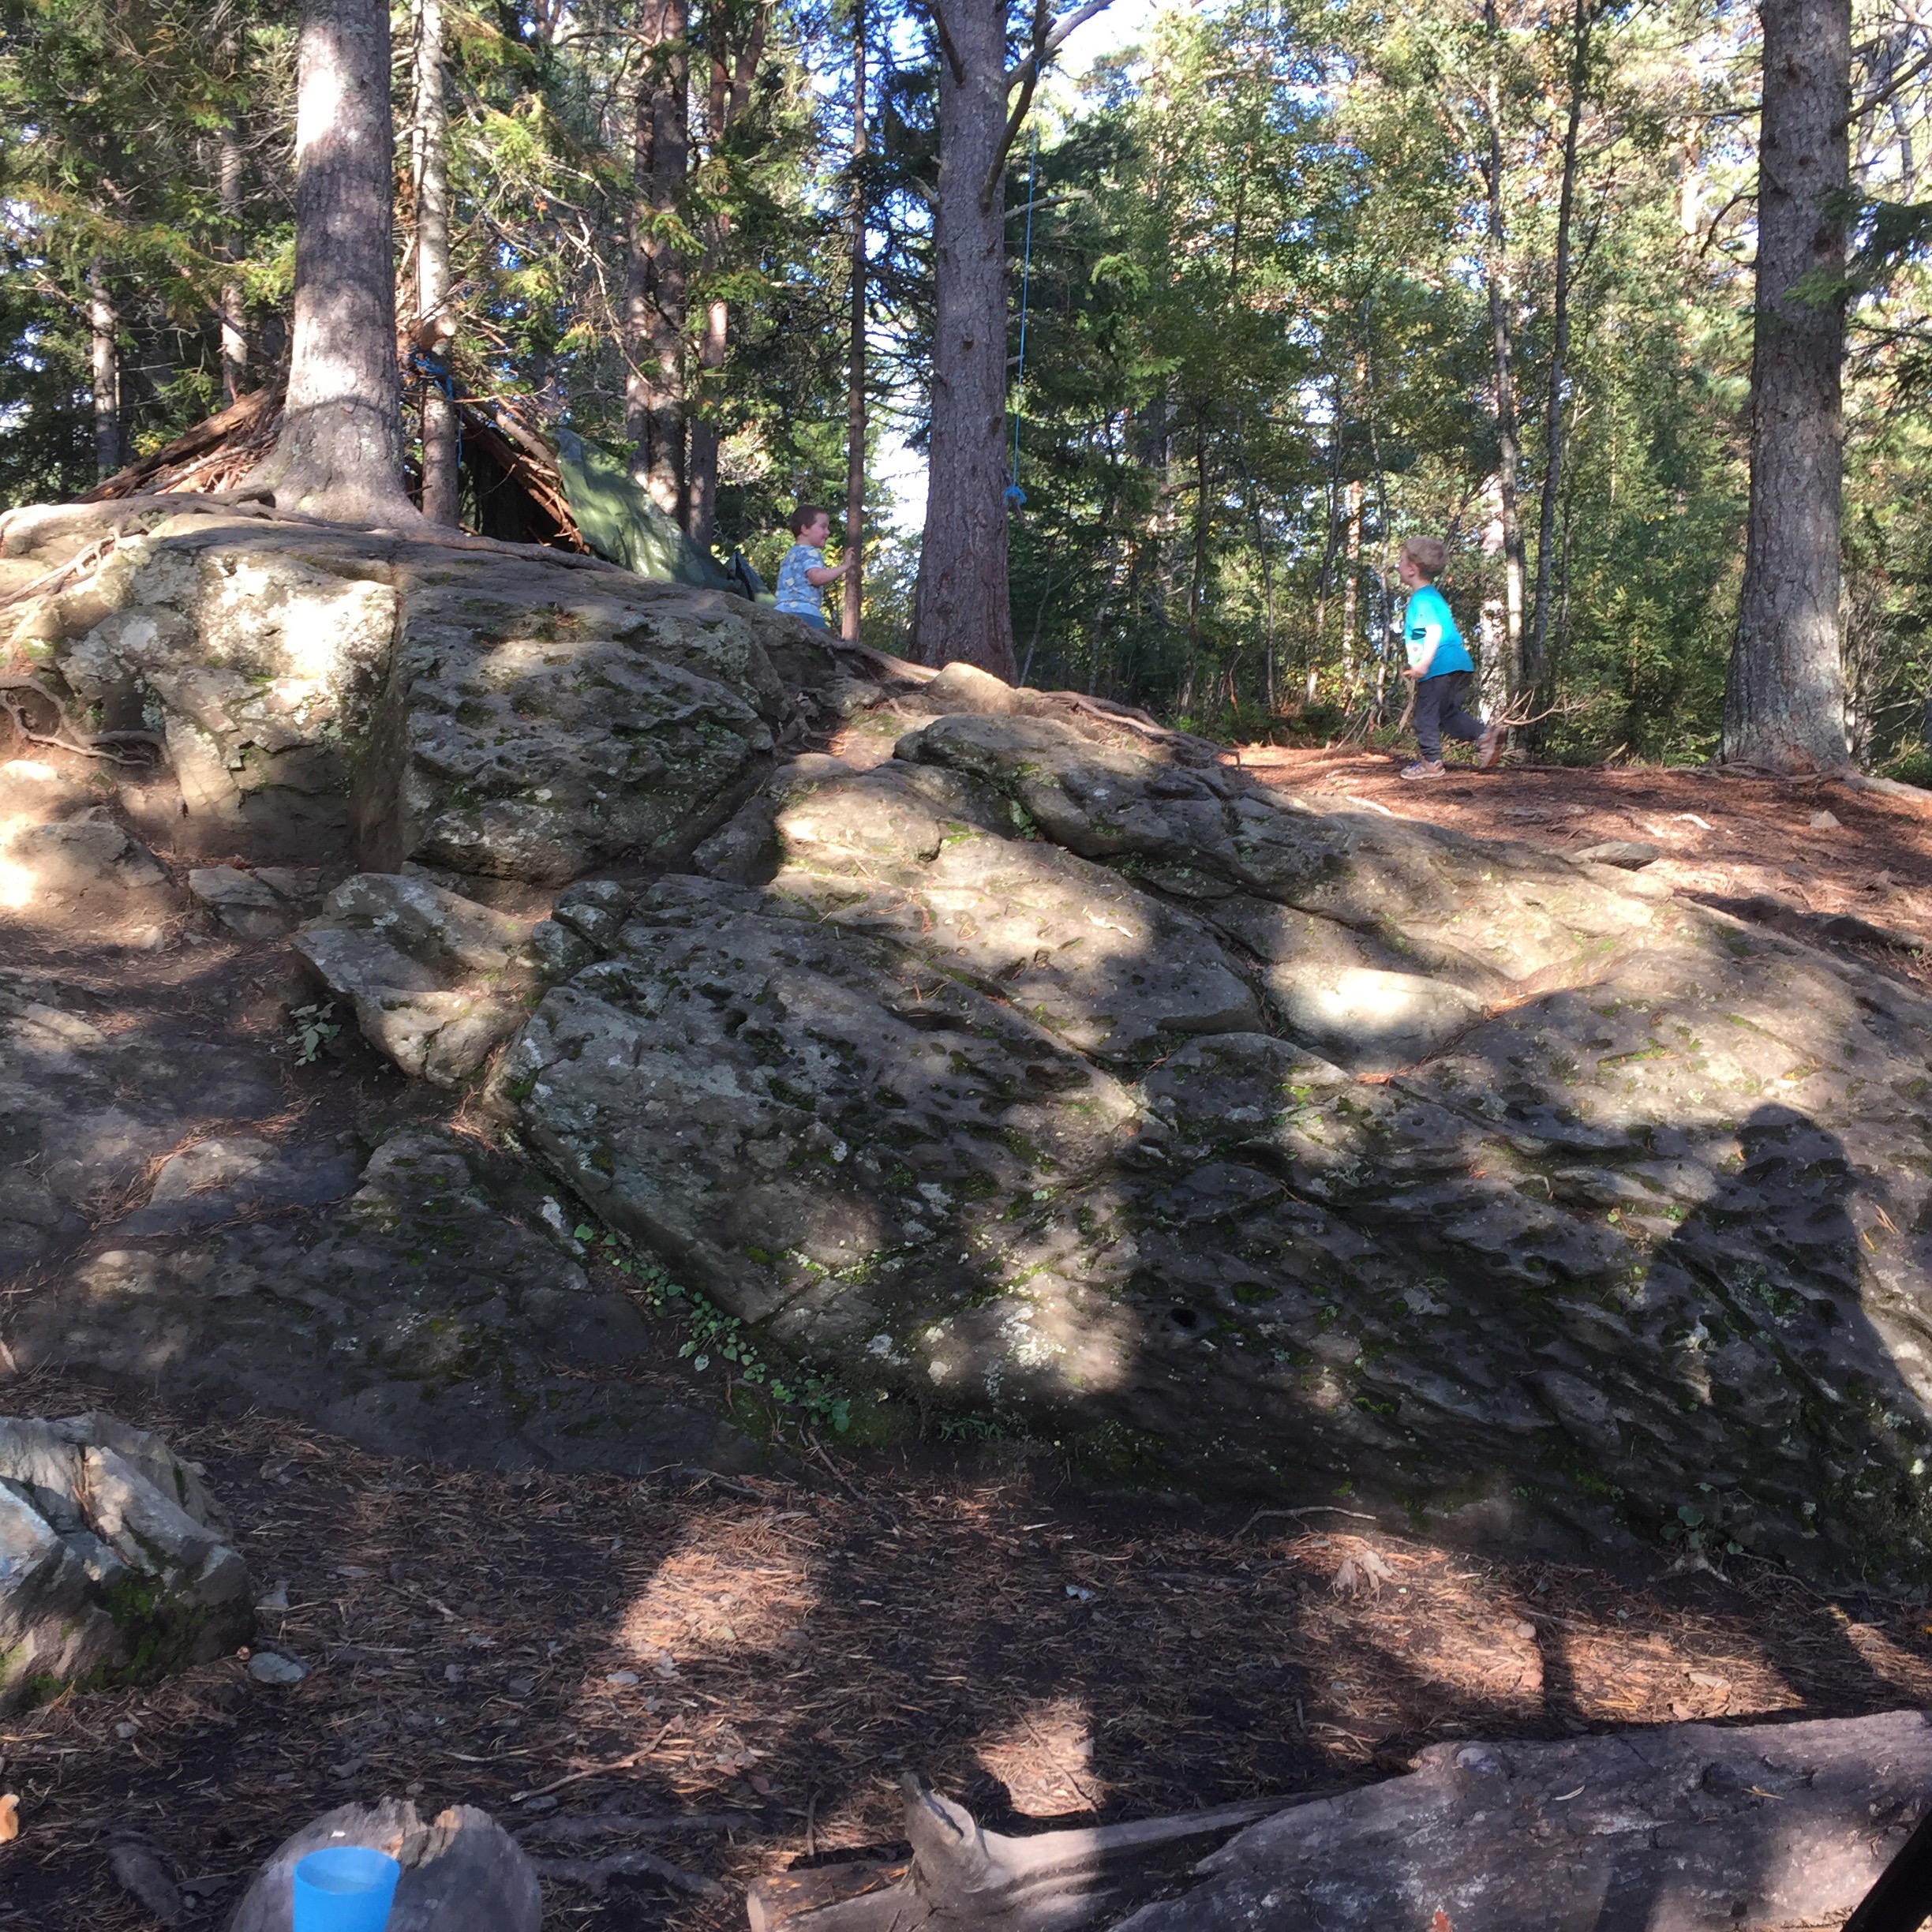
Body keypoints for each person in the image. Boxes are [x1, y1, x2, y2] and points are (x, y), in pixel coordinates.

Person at [1395, 536, 1503, 781]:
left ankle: (1431, 763)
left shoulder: (1421, 599)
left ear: (1412, 569)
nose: (1397, 565)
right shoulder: (1433, 597)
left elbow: (1433, 630)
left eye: (1400, 560)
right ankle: (1485, 735)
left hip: (1438, 667)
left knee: (1424, 717)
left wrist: (1423, 663)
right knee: (1446, 715)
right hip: (1459, 665)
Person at [774, 504, 856, 630]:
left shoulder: (791, 554)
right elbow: (816, 577)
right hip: (806, 613)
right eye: (823, 527)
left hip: (781, 612)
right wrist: (845, 566)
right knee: (827, 639)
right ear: (805, 529)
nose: (828, 532)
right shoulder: (810, 552)